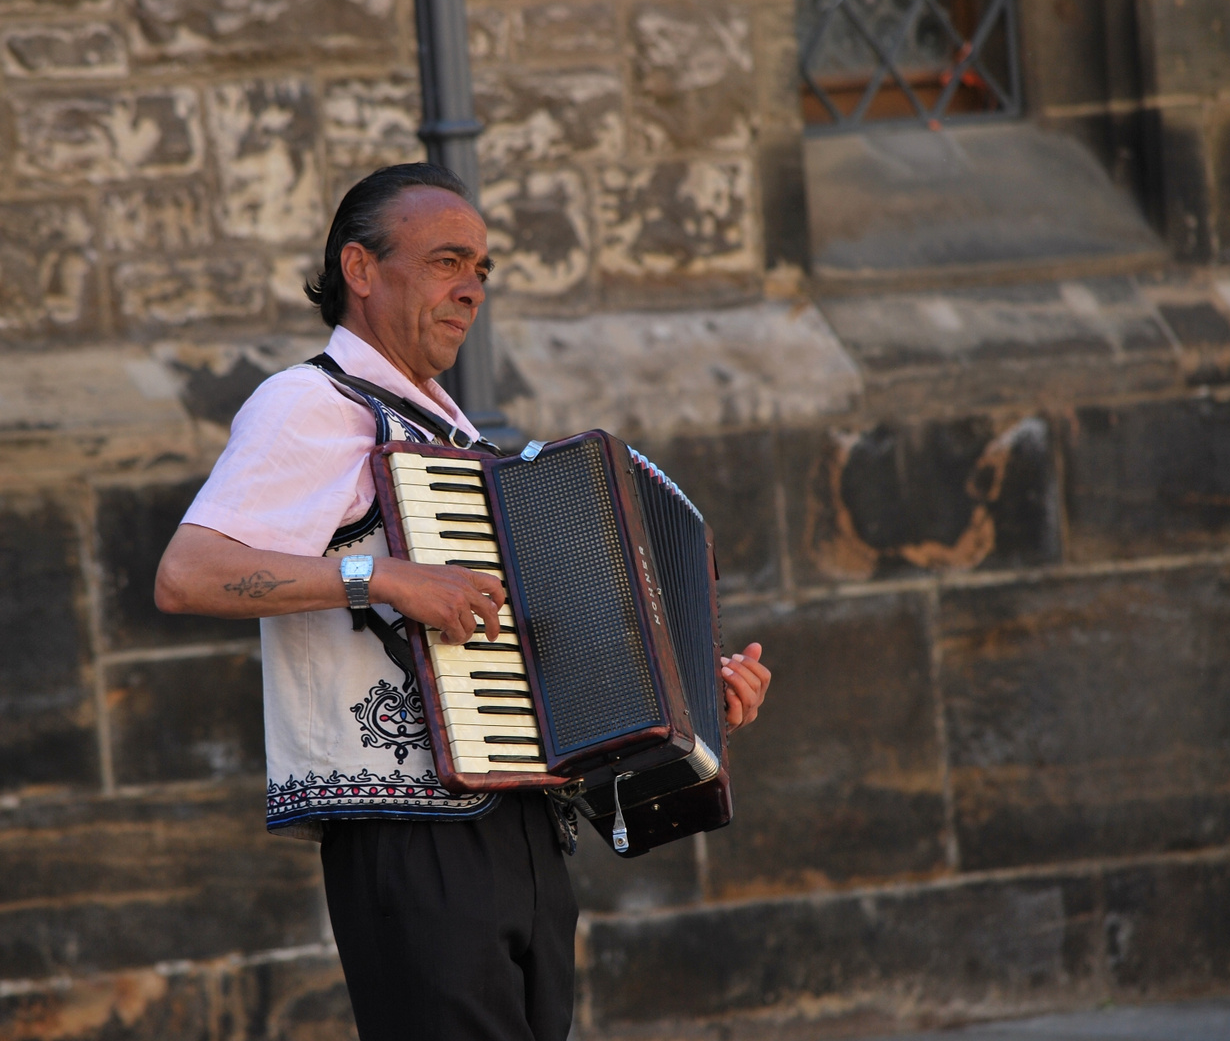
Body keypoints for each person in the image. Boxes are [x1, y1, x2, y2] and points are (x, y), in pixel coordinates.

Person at [154, 162, 771, 1041]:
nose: (471, 288)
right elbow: (188, 573)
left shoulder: (457, 438)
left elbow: (530, 645)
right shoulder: (310, 404)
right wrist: (379, 578)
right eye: (447, 261)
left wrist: (686, 699)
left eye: (481, 268)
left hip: (521, 827)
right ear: (359, 270)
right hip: (405, 831)